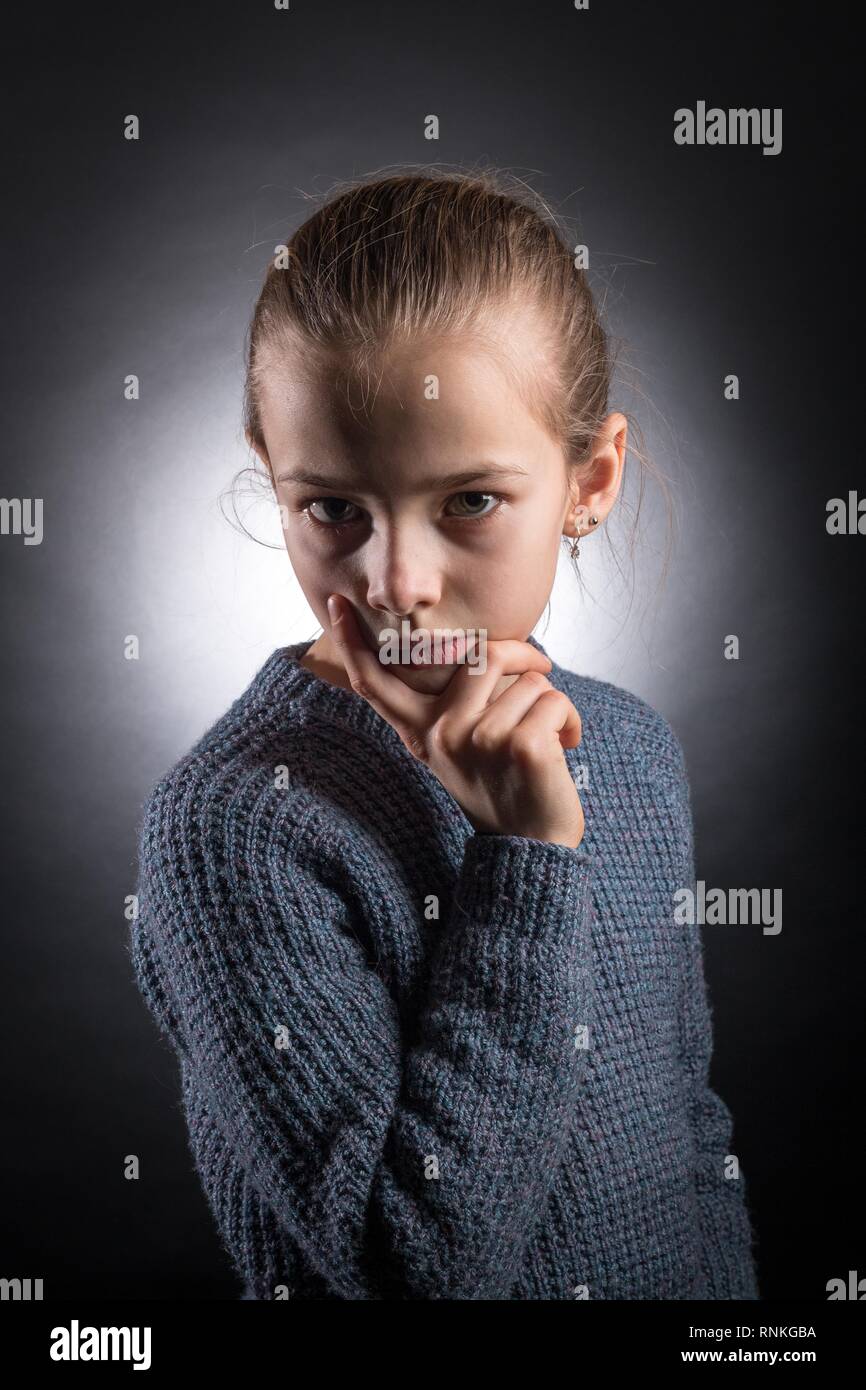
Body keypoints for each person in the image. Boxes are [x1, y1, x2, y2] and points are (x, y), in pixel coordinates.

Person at [129, 168, 761, 1300]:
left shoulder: (627, 747)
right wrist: (523, 862)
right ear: (274, 479)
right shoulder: (234, 827)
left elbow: (686, 1128)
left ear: (589, 480)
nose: (398, 584)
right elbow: (411, 1268)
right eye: (332, 508)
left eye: (468, 500)